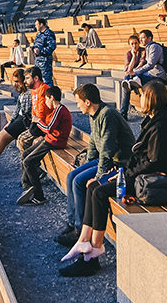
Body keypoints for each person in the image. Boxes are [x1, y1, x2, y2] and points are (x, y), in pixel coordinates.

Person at [60, 81, 167, 277]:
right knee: (94, 188)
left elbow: (153, 162)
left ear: (151, 99)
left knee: (99, 191)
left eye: (142, 95)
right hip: (140, 176)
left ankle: (93, 254)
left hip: (152, 182)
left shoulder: (162, 127)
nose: (139, 99)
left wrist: (124, 174)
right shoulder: (154, 122)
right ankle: (84, 243)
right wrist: (121, 172)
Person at [54, 84, 133, 245]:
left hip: (118, 162)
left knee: (79, 181)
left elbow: (107, 151)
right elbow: (93, 144)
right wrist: (87, 163)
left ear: (88, 102)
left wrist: (98, 177)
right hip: (105, 159)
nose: (77, 105)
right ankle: (72, 222)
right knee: (71, 175)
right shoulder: (94, 114)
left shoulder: (107, 115)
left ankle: (79, 229)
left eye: (78, 102)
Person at [17, 85, 72, 206]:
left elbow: (48, 128)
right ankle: (27, 185)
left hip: (55, 142)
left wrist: (37, 121)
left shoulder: (59, 110)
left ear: (51, 98)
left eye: (46, 99)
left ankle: (39, 196)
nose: (46, 102)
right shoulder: (57, 110)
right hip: (50, 139)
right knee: (26, 154)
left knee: (28, 162)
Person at [119, 30, 166, 119]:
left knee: (128, 81)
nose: (140, 40)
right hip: (149, 74)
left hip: (157, 76)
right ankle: (123, 113)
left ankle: (132, 82)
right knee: (126, 83)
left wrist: (135, 72)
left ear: (149, 38)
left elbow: (150, 65)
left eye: (143, 38)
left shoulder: (154, 47)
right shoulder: (148, 48)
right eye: (140, 38)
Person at [31, 18, 57, 87]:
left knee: (47, 80)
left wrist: (41, 51)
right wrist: (33, 49)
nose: (35, 26)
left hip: (45, 61)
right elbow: (35, 45)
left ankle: (50, 95)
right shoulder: (38, 34)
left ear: (41, 24)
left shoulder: (49, 33)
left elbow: (52, 47)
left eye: (36, 24)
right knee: (38, 80)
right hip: (38, 61)